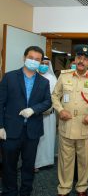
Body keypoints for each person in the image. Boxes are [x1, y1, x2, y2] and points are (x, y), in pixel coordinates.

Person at [51, 45, 88, 196]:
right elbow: (55, 96)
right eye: (79, 57)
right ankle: (64, 188)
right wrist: (60, 110)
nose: (82, 61)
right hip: (66, 125)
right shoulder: (64, 76)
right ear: (75, 59)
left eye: (85, 58)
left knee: (84, 160)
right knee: (65, 160)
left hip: (85, 126)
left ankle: (82, 187)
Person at [0, 46, 52, 196]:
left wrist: (33, 109)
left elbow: (48, 102)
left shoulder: (43, 82)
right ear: (24, 58)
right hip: (10, 131)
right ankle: (10, 192)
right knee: (9, 166)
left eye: (37, 59)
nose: (33, 61)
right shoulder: (9, 77)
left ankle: (25, 192)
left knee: (28, 166)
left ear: (41, 62)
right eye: (31, 58)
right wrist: (0, 126)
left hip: (32, 132)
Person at [34, 56, 57, 171]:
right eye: (42, 63)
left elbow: (56, 96)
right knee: (36, 139)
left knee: (48, 137)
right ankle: (35, 163)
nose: (44, 66)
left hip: (49, 114)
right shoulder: (33, 76)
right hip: (35, 114)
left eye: (46, 64)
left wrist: (49, 107)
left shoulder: (53, 79)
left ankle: (47, 161)